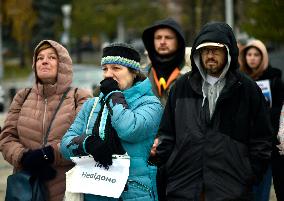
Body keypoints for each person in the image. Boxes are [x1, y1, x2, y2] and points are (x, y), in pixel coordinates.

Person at [155, 22, 273, 200]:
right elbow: (167, 134)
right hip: (184, 188)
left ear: (228, 52)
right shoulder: (181, 87)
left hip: (231, 190)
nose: (210, 55)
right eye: (205, 50)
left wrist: (249, 174)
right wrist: (168, 168)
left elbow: (262, 138)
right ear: (198, 53)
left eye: (216, 50)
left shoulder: (247, 89)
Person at [60, 43, 163, 201]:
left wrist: (113, 95)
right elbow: (65, 145)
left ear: (134, 72)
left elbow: (129, 129)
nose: (108, 75)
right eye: (105, 69)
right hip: (94, 192)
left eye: (116, 68)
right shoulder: (91, 105)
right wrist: (87, 144)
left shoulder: (150, 104)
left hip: (133, 194)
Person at [0, 40, 92, 201]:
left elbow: (85, 139)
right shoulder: (22, 96)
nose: (44, 61)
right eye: (39, 57)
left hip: (67, 190)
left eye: (52, 57)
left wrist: (48, 155)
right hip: (27, 189)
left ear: (63, 64)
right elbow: (7, 137)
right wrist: (24, 158)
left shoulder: (80, 96)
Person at [239, 39, 284, 201]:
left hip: (272, 143)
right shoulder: (239, 80)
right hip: (248, 144)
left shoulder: (275, 79)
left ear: (263, 57)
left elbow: (280, 109)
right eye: (249, 54)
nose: (252, 58)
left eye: (256, 54)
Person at [142, 17, 191, 106]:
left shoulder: (192, 77)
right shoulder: (142, 77)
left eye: (168, 37)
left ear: (179, 41)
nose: (162, 42)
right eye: (158, 37)